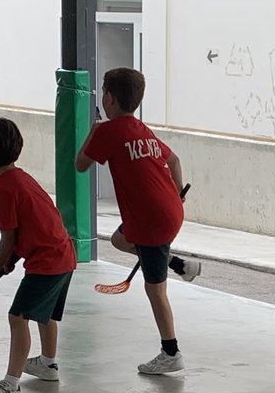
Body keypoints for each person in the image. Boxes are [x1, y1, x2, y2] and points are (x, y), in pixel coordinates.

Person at [74, 67, 199, 375]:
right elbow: (173, 160)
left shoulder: (108, 132)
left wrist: (93, 128)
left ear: (109, 98)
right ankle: (178, 264)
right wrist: (177, 193)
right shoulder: (140, 129)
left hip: (152, 221)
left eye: (103, 91)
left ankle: (171, 352)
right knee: (119, 240)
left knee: (155, 290)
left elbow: (80, 165)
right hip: (170, 209)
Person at [0, 117, 77, 393]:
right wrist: (12, 260)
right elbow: (25, 231)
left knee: (18, 317)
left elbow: (7, 238)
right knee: (45, 315)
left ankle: (11, 386)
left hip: (47, 262)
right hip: (63, 256)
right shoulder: (22, 178)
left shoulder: (3, 189)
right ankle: (48, 364)